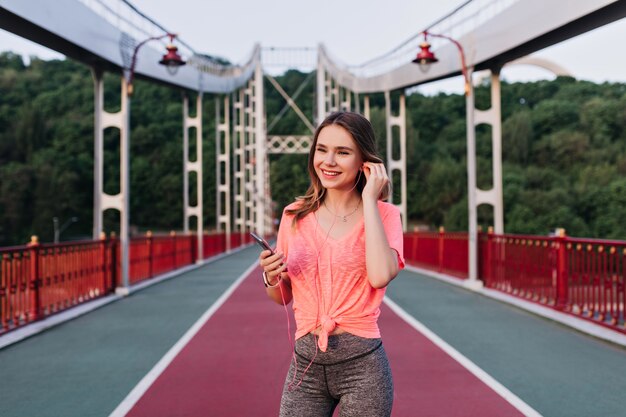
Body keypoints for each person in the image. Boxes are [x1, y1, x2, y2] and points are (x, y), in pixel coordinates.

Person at [258, 111, 405, 417]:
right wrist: (272, 278)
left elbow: (380, 276)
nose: (329, 161)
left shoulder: (385, 215)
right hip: (305, 368)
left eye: (343, 152)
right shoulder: (293, 215)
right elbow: (282, 298)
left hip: (363, 369)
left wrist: (369, 201)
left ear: (365, 161)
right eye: (322, 150)